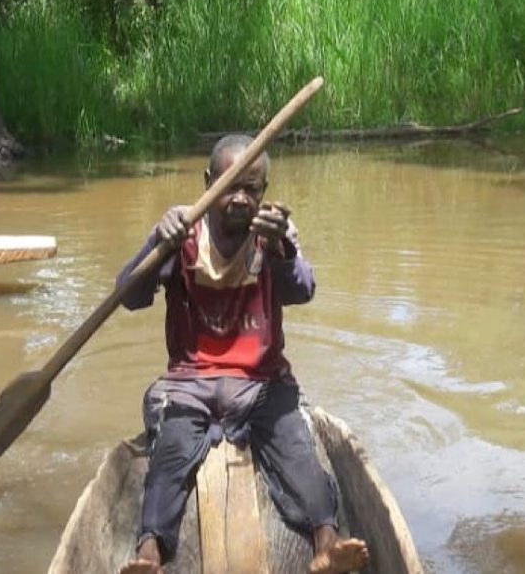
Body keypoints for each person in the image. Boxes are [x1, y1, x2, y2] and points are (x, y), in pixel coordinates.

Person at [117, 134, 369, 574]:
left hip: (261, 383)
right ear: (207, 183)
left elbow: (303, 291)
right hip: (190, 383)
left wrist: (281, 253)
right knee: (170, 457)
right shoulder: (182, 233)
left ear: (263, 193)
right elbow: (130, 296)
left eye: (251, 188)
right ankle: (149, 553)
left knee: (297, 451)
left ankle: (326, 543)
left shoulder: (275, 234)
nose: (239, 198)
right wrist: (156, 244)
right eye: (229, 184)